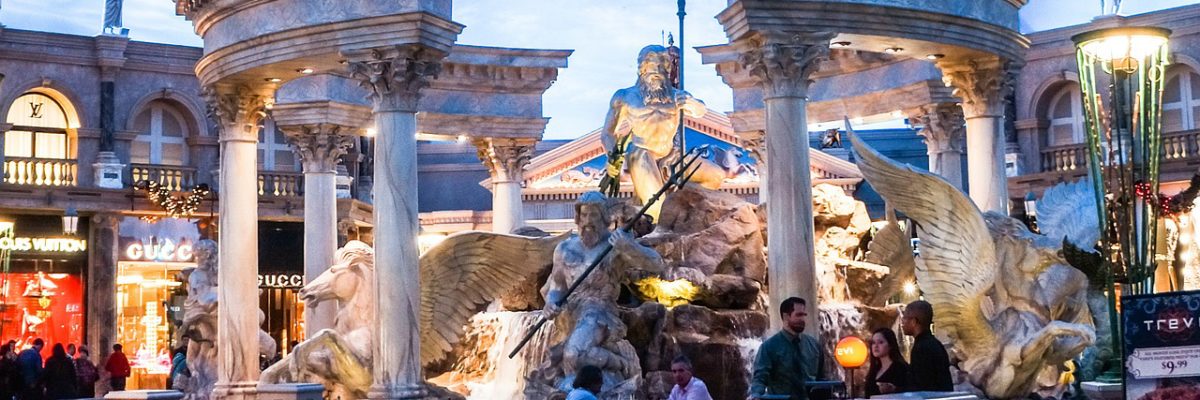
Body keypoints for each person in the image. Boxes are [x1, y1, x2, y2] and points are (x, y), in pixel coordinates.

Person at [536, 192, 664, 395]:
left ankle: (622, 364)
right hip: (570, 314)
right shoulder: (564, 248)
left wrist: (629, 246)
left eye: (594, 215)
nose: (587, 221)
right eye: (584, 215)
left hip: (600, 310)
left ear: (605, 218)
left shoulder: (614, 245)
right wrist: (551, 303)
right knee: (568, 358)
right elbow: (557, 288)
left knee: (573, 354)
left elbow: (656, 264)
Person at [600, 44, 711, 219]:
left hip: (672, 156)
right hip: (641, 154)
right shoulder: (625, 97)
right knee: (657, 207)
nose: (658, 70)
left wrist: (692, 103)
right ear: (642, 68)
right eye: (653, 65)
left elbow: (700, 111)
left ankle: (690, 207)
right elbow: (608, 133)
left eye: (662, 65)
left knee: (715, 176)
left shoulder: (677, 96)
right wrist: (613, 158)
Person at [750, 297, 828, 400]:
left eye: (804, 315)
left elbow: (821, 378)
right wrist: (756, 395)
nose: (803, 319)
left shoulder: (814, 345)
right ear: (786, 316)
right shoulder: (769, 347)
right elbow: (760, 378)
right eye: (799, 315)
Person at [902, 300, 953, 392]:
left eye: (905, 317)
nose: (902, 322)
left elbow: (923, 386)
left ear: (914, 321)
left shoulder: (921, 349)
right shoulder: (935, 344)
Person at [865, 328, 909, 397]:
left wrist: (894, 389)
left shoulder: (900, 368)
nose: (876, 346)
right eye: (873, 343)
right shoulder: (874, 369)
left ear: (890, 345)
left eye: (880, 342)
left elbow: (909, 391)